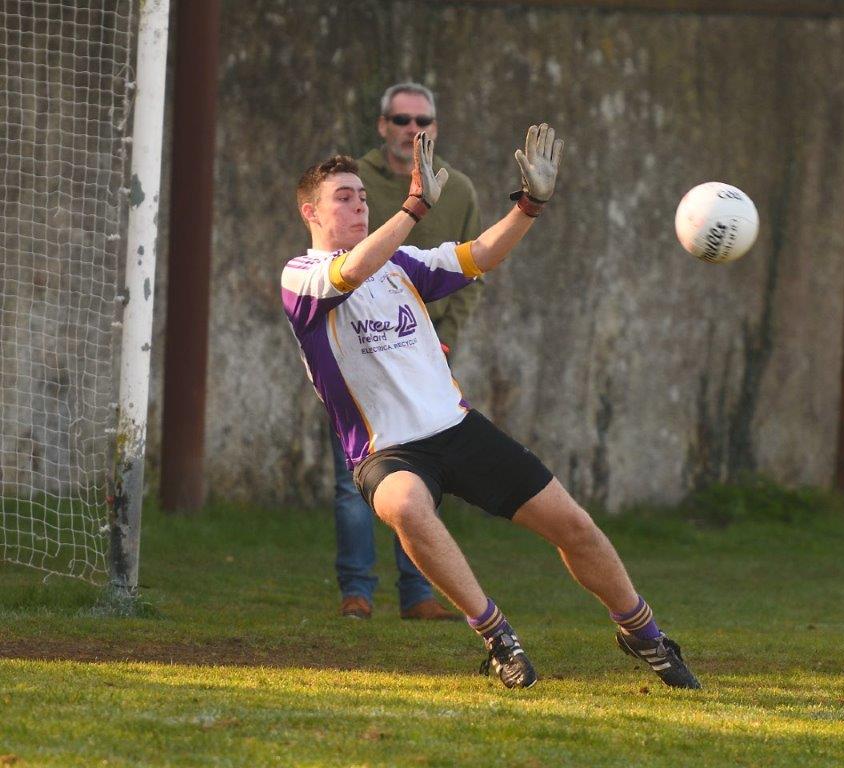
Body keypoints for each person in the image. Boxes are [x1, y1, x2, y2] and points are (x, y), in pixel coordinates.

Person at [282, 127, 701, 690]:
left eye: (361, 194)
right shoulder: (301, 276)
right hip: (387, 450)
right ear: (310, 211)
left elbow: (480, 254)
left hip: (457, 429)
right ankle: (497, 635)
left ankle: (643, 633)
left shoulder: (400, 262)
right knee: (405, 506)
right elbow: (350, 272)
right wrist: (414, 206)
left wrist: (530, 206)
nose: (358, 202)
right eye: (343, 196)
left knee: (574, 526)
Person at [329, 83, 483, 622]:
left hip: (429, 356)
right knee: (355, 484)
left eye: (422, 121)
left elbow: (471, 273)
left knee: (422, 479)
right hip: (364, 355)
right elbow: (336, 267)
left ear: (435, 128)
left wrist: (445, 339)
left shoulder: (458, 189)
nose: (410, 130)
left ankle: (418, 595)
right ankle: (358, 592)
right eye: (399, 119)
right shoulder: (354, 183)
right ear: (381, 125)